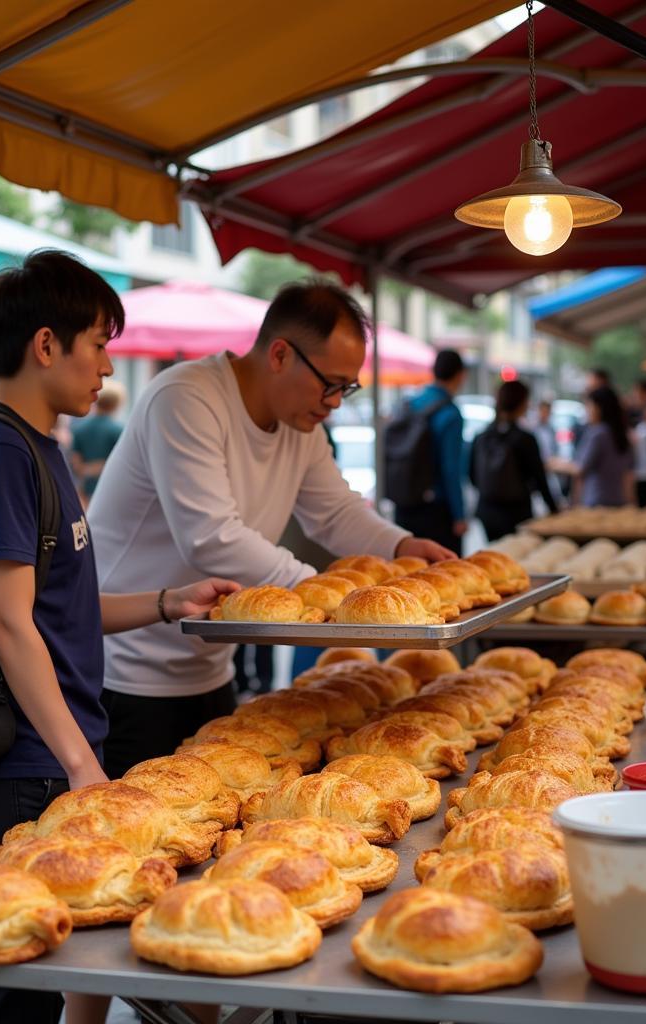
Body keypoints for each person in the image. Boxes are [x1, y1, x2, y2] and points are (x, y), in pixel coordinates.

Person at [0, 250, 235, 1024]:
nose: (106, 363)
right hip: (11, 765)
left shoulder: (41, 448)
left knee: (54, 975)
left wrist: (169, 601)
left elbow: (63, 605)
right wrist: (80, 762)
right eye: (97, 342)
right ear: (44, 345)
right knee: (15, 999)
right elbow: (6, 620)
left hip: (41, 756)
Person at [89, 279, 454, 780]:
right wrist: (320, 593)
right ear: (280, 354)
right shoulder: (186, 398)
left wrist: (402, 545)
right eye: (330, 383)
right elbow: (210, 535)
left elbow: (335, 512)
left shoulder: (299, 424)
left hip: (210, 667)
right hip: (127, 674)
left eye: (346, 388)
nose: (335, 403)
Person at [391, 348, 468, 554]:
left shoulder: (409, 404)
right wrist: (459, 515)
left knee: (405, 575)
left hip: (404, 504)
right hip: (436, 512)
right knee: (444, 577)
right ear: (460, 375)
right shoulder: (450, 413)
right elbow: (451, 468)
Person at [470, 380, 558, 541]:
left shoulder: (481, 436)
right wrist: (554, 509)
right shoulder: (525, 439)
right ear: (522, 404)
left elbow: (471, 474)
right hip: (516, 511)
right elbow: (539, 478)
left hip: (486, 509)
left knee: (493, 556)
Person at [551, 386, 635, 507]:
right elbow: (628, 474)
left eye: (589, 406)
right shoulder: (621, 433)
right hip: (618, 500)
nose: (587, 410)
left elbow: (580, 468)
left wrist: (553, 463)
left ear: (599, 408)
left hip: (597, 501)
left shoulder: (598, 433)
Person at [71, 381, 125, 502]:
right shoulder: (118, 430)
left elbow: (77, 466)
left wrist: (86, 470)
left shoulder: (79, 429)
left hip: (86, 491)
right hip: (111, 491)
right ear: (116, 404)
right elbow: (121, 464)